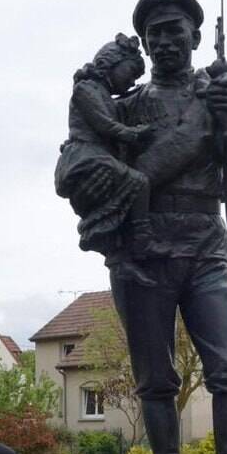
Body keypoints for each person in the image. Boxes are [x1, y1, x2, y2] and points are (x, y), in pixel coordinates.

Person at [55, 0, 227, 454]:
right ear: (145, 42)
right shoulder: (124, 106)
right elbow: (75, 169)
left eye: (174, 30)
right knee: (155, 378)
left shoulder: (218, 97)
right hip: (143, 250)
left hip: (205, 245)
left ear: (196, 37)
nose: (164, 41)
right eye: (153, 33)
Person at [58, 32, 156, 286]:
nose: (131, 82)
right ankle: (141, 243)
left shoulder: (106, 94)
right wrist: (136, 134)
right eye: (131, 74)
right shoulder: (85, 89)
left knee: (123, 197)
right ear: (112, 63)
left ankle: (124, 261)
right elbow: (105, 126)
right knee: (139, 182)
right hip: (87, 157)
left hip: (99, 154)